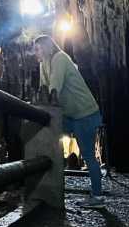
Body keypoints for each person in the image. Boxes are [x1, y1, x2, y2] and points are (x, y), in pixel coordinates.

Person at [33, 35, 104, 207]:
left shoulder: (60, 58)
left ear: (47, 47)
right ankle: (48, 184)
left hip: (84, 113)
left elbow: (54, 88)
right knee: (47, 136)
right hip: (69, 115)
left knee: (88, 154)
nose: (35, 53)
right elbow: (43, 89)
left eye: (38, 49)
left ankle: (97, 196)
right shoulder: (43, 64)